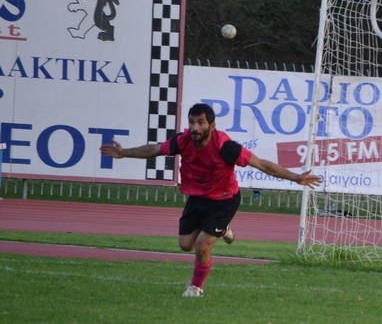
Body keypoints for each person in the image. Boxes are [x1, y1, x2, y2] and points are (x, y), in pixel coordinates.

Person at [99, 102, 323, 297]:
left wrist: (296, 177)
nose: (195, 128)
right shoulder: (182, 141)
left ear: (212, 125)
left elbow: (262, 164)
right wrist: (124, 153)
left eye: (201, 123)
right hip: (198, 198)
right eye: (192, 122)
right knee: (185, 245)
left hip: (225, 199)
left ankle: (195, 288)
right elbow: (155, 150)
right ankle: (223, 229)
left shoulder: (226, 147)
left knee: (202, 246)